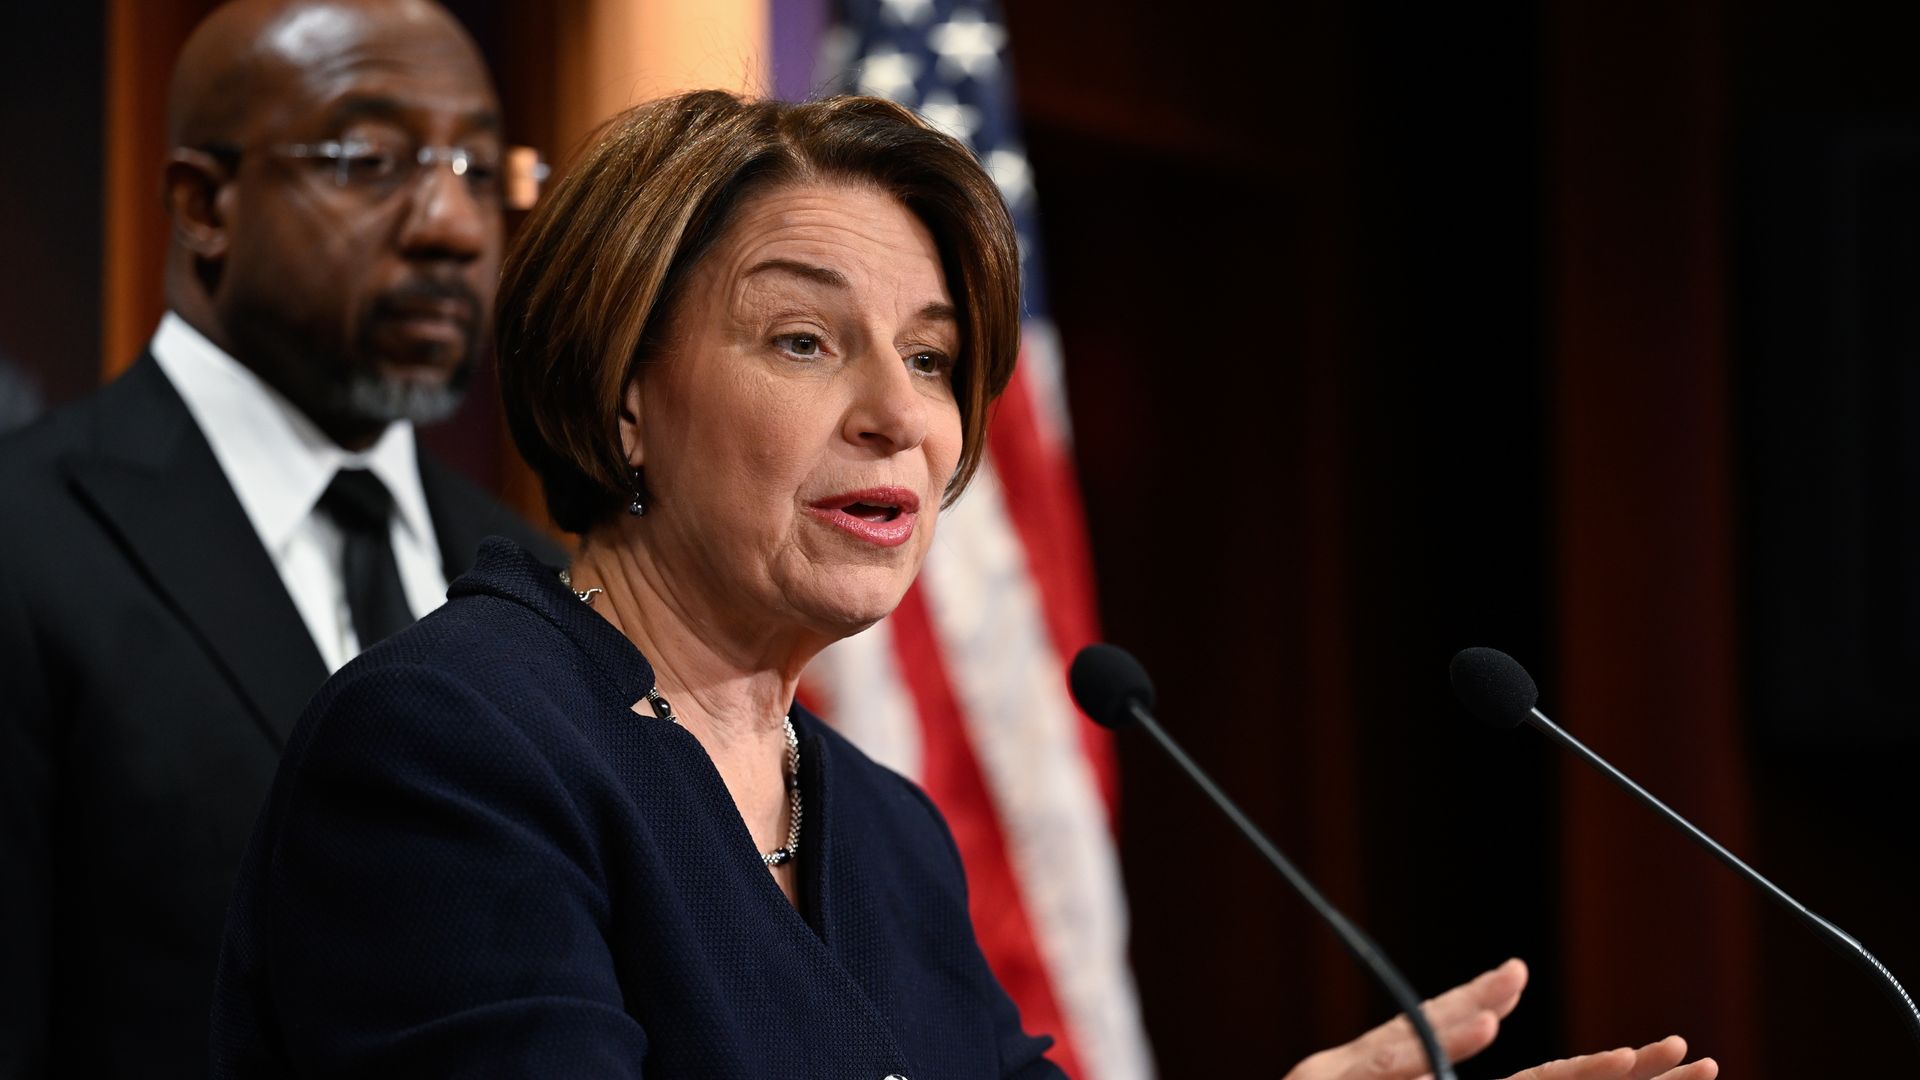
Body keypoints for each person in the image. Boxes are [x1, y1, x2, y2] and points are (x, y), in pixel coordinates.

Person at [208, 90, 1717, 1079]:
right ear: (624, 398)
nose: (901, 415)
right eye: (804, 340)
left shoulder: (882, 830)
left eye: (931, 358)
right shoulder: (458, 748)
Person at [0, 2, 557, 1076]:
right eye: (366, 160)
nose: (452, 224)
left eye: (481, 169)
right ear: (203, 203)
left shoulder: (532, 575)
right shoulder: (25, 540)